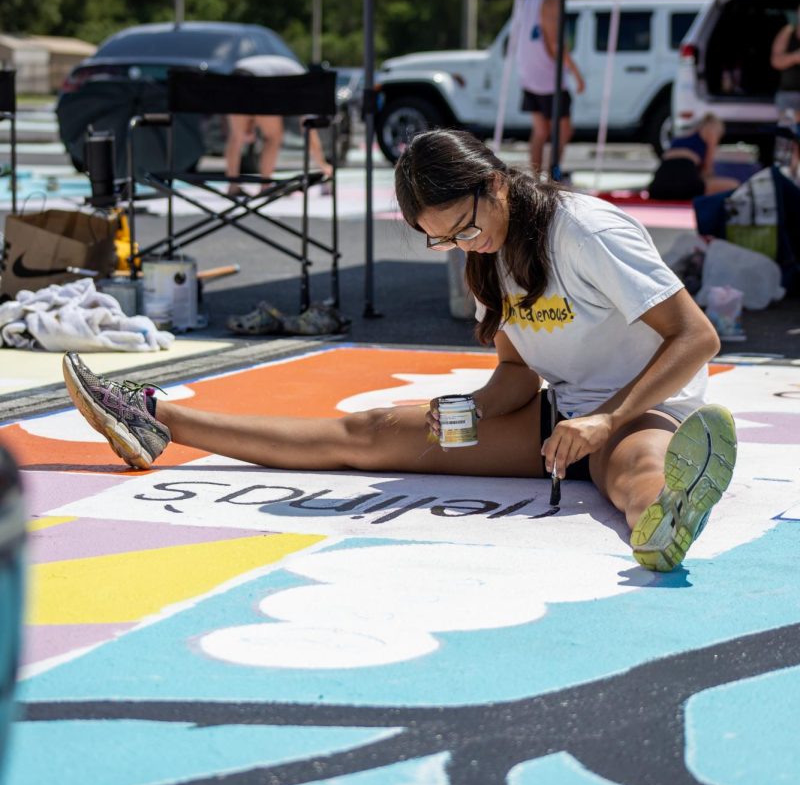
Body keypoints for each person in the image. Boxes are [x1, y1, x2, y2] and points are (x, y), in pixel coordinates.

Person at [61, 129, 737, 574]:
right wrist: (461, 413)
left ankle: (664, 520)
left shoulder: (584, 229)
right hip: (560, 415)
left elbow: (696, 337)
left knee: (633, 469)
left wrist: (607, 421)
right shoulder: (490, 254)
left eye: (467, 227)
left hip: (643, 406)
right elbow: (515, 375)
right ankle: (160, 421)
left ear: (496, 183)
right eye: (443, 239)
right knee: (371, 432)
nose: (464, 245)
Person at [224, 54, 333, 197]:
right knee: (273, 138)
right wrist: (322, 163)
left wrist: (248, 126)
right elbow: (308, 129)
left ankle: (233, 186)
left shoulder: (292, 71)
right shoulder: (301, 81)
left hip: (235, 80)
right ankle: (265, 186)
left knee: (236, 137)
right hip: (259, 83)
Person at [517, 0, 585, 179]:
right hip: (548, 78)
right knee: (563, 130)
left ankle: (536, 179)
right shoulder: (550, 0)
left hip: (528, 73)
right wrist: (577, 74)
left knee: (540, 131)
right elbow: (555, 45)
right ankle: (552, 174)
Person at [649, 114, 740, 200]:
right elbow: (707, 168)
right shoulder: (711, 131)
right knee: (734, 185)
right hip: (685, 182)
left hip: (659, 185)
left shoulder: (683, 137)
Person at [770, 5, 800, 118]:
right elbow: (775, 61)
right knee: (788, 131)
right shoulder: (787, 32)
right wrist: (795, 57)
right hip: (789, 96)